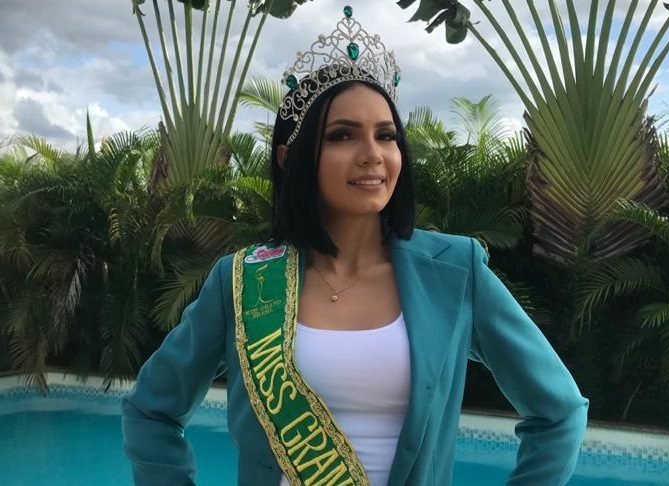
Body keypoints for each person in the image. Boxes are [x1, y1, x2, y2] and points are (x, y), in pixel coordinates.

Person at [122, 6, 588, 486]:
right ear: (289, 157)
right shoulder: (244, 282)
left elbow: (560, 412)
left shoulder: (453, 271)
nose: (372, 155)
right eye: (342, 135)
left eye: (386, 136)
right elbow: (150, 412)